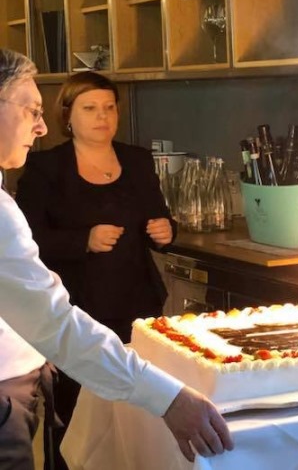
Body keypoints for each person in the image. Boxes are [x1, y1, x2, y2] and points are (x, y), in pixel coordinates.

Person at [0, 49, 233, 468]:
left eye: (110, 107)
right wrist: (169, 398)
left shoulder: (134, 160)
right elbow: (53, 321)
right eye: (31, 110)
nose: (39, 126)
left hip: (115, 313)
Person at [14, 71, 178, 469]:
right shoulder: (45, 167)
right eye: (90, 108)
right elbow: (26, 242)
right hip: (76, 310)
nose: (102, 116)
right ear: (67, 116)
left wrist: (166, 230)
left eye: (109, 108)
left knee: (136, 413)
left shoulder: (137, 160)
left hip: (138, 307)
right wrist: (82, 240)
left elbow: (158, 218)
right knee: (75, 417)